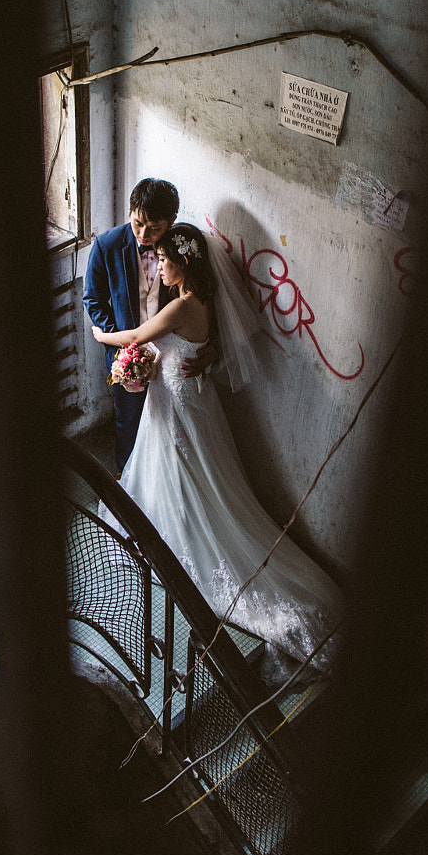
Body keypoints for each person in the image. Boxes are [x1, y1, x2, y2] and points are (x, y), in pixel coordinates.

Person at [92, 222, 343, 674]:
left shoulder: (182, 305)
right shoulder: (203, 300)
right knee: (194, 475)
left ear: (184, 263)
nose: (158, 266)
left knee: (190, 475)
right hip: (188, 398)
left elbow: (134, 336)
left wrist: (100, 335)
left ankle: (190, 535)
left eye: (165, 260)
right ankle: (176, 519)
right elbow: (201, 343)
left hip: (180, 406)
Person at [83, 179, 215, 470]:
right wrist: (118, 344)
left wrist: (212, 346)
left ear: (172, 221)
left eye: (154, 227)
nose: (144, 234)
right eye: (137, 223)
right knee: (127, 420)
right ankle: (125, 479)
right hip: (125, 355)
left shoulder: (184, 252)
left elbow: (204, 299)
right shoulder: (107, 245)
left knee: (166, 427)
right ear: (130, 212)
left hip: (170, 360)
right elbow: (93, 299)